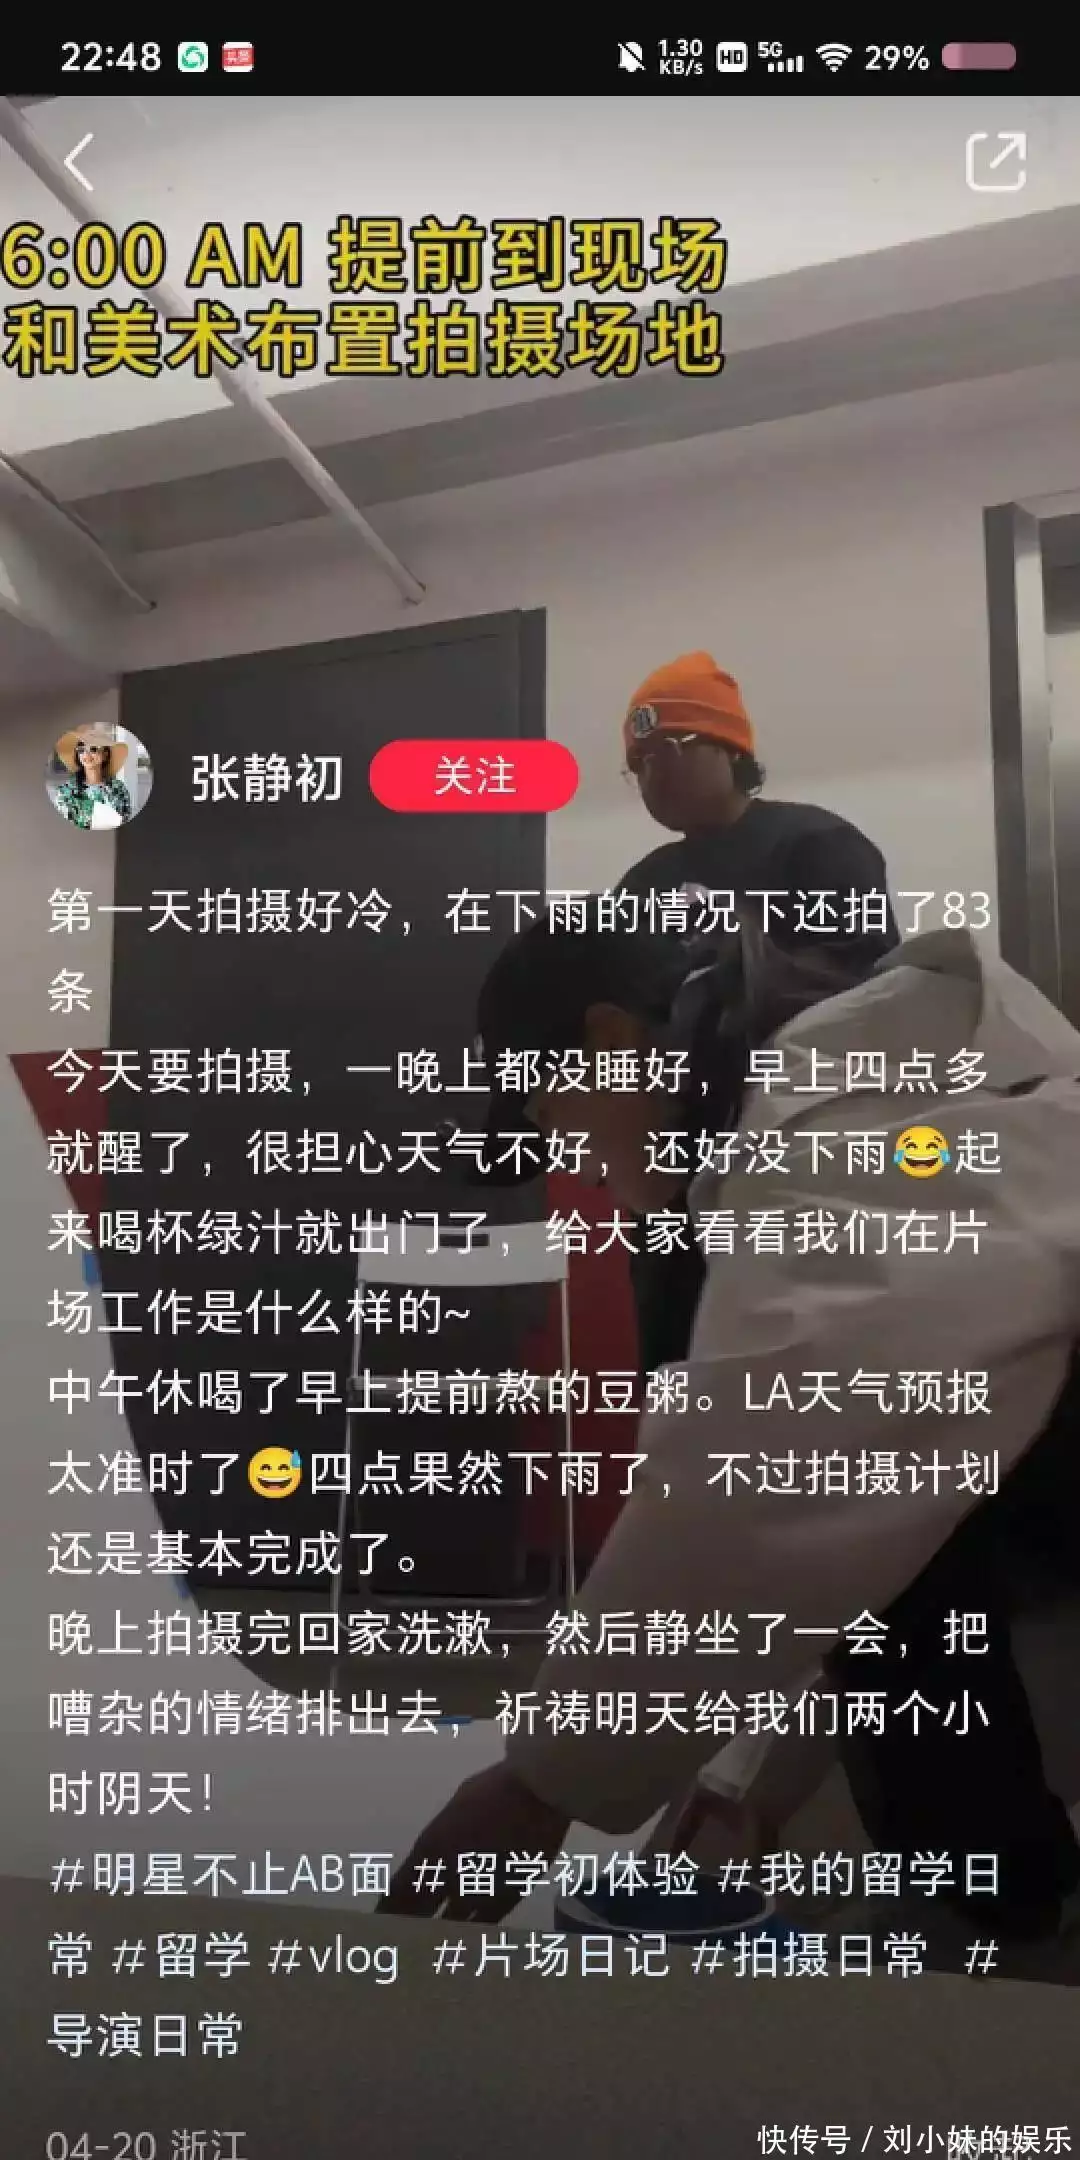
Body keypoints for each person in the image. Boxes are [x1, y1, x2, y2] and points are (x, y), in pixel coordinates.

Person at [379, 902, 1080, 1942]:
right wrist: (735, 1783)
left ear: (611, 1042)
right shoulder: (860, 1081)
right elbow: (849, 1535)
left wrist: (540, 1783)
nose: (575, 1165)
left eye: (554, 1120)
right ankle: (998, 1897)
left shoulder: (847, 1112)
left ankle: (999, 1921)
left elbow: (772, 1482)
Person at [618, 651, 900, 1372]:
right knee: (677, 1366)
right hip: (673, 1174)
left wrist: (732, 980)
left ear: (728, 747)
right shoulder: (642, 883)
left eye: (668, 750)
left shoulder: (818, 847)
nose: (651, 775)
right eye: (637, 763)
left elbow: (869, 1003)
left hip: (799, 1160)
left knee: (797, 1374)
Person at [52, 730, 133, 830]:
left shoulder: (118, 788)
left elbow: (125, 819)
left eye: (93, 749)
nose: (86, 754)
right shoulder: (66, 791)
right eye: (81, 750)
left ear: (105, 755)